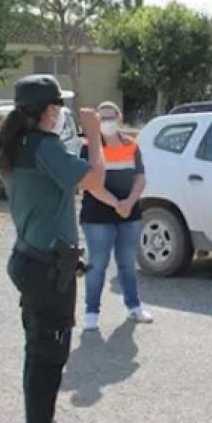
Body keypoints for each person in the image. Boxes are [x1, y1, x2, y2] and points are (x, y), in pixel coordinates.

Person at [0, 74, 107, 423]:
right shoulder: (43, 147)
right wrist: (94, 135)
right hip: (47, 268)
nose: (62, 112)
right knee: (49, 357)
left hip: (32, 260)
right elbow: (94, 179)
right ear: (47, 111)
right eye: (59, 106)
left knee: (39, 353)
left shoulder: (19, 144)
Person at [79, 101, 153, 330]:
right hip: (97, 216)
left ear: (120, 117)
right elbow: (89, 184)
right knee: (98, 263)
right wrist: (116, 204)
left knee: (128, 263)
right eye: (103, 118)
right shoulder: (89, 147)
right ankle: (91, 312)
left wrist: (129, 202)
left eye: (112, 117)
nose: (108, 122)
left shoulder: (132, 146)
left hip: (129, 215)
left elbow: (140, 178)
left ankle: (133, 306)